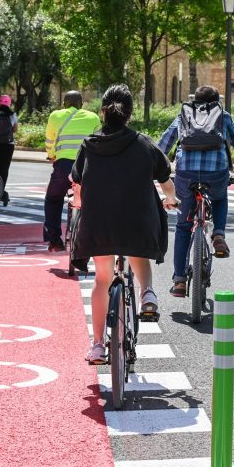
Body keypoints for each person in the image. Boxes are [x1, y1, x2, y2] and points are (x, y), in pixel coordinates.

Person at [71, 84, 178, 364]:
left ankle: (98, 346)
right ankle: (148, 293)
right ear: (130, 113)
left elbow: (78, 186)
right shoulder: (144, 143)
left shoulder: (89, 145)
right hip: (137, 223)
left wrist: (78, 202)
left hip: (99, 225)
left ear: (102, 111)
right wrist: (171, 199)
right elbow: (165, 180)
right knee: (136, 246)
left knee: (102, 279)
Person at [157, 85, 234, 298]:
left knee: (183, 227)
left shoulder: (183, 115)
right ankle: (218, 234)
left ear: (194, 100)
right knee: (220, 197)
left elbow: (162, 146)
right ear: (217, 102)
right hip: (216, 171)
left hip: (186, 173)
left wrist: (159, 172)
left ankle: (179, 281)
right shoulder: (223, 116)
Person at [43, 90, 100, 252]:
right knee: (92, 200)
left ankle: (55, 240)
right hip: (87, 167)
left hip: (63, 167)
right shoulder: (93, 117)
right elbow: (99, 141)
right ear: (81, 104)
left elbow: (49, 141)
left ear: (64, 104)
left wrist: (52, 155)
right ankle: (93, 237)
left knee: (53, 199)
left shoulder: (55, 116)